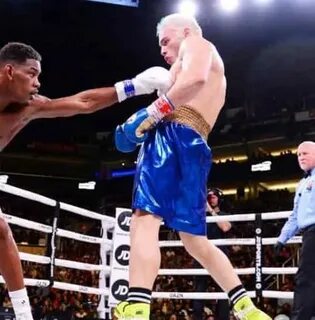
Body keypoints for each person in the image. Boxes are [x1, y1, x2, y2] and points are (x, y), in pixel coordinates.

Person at [114, 13, 271, 320]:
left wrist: (150, 114)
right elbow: (192, 85)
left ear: (185, 31)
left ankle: (136, 307)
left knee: (145, 219)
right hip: (198, 145)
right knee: (195, 241)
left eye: (165, 40)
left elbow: (194, 79)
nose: (162, 48)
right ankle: (246, 308)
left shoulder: (196, 43)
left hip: (171, 136)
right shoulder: (204, 70)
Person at [0, 41, 172, 320]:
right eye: (31, 74)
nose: (37, 83)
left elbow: (83, 103)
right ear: (9, 71)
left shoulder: (29, 107)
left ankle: (23, 315)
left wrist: (133, 86)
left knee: (1, 233)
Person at [275, 141, 315, 320]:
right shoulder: (302, 184)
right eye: (299, 155)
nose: (301, 157)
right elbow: (295, 216)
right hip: (309, 235)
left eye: (305, 153)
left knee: (305, 278)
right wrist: (281, 239)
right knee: (306, 278)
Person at [193, 188, 232, 320]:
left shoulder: (224, 214)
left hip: (219, 255)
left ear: (219, 199)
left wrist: (210, 210)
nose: (210, 199)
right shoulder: (199, 215)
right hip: (201, 255)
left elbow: (225, 227)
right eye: (208, 197)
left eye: (213, 196)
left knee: (222, 290)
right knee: (199, 290)